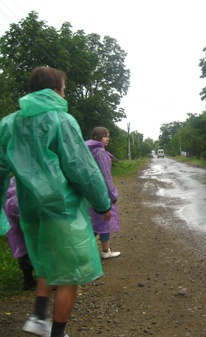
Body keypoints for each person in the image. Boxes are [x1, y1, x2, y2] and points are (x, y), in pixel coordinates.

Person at [0, 66, 112, 337]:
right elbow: (80, 168)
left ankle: (39, 316)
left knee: (48, 262)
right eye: (63, 87)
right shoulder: (60, 120)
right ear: (54, 90)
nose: (65, 92)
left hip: (29, 207)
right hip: (60, 207)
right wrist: (102, 203)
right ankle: (58, 333)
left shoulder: (8, 123)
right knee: (70, 274)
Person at [86, 127, 121, 259]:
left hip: (91, 192)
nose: (108, 138)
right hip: (101, 193)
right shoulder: (100, 152)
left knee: (99, 222)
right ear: (97, 137)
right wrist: (112, 195)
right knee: (102, 220)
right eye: (105, 136)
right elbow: (105, 176)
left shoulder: (90, 151)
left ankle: (105, 250)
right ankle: (87, 252)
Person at [4, 176, 37, 290]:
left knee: (20, 242)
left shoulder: (11, 178)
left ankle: (28, 279)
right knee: (39, 239)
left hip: (8, 206)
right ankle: (48, 276)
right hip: (24, 202)